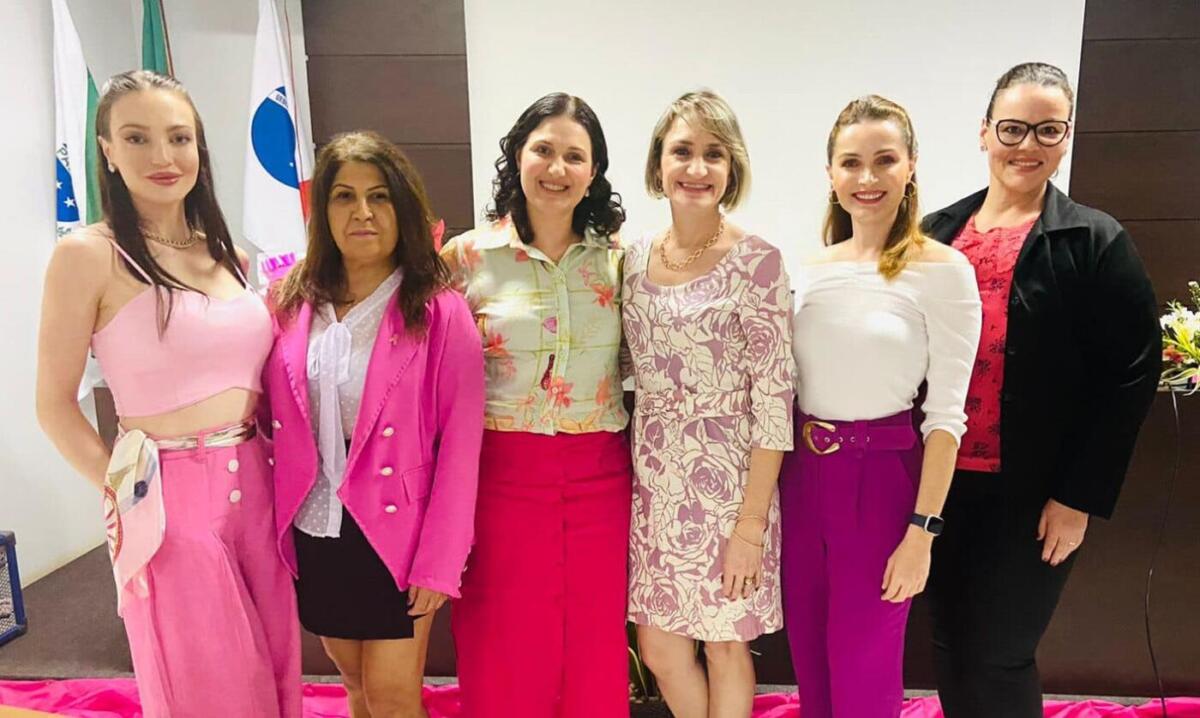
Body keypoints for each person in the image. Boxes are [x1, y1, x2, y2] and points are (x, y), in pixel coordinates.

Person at [35, 70, 300, 718]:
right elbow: (54, 404)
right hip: (164, 493)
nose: (163, 156)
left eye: (179, 137)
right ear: (107, 150)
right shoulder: (87, 256)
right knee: (209, 687)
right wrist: (128, 495)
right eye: (137, 138)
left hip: (259, 487)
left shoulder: (231, 256)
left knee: (274, 673)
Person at [923, 62, 1160, 718]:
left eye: (1047, 130)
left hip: (1033, 491)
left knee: (999, 653)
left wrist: (1078, 497)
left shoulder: (1094, 240)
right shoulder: (936, 233)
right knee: (949, 645)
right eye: (1013, 128)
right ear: (984, 132)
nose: (1027, 145)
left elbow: (1131, 373)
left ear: (1066, 137)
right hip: (937, 480)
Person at [262, 131, 484, 718]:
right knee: (356, 684)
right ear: (323, 211)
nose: (362, 211)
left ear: (402, 207)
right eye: (344, 196)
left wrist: (441, 560)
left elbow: (461, 447)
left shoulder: (438, 309)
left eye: (379, 196)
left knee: (392, 694)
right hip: (317, 524)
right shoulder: (290, 301)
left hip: (397, 530)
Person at [781, 94, 982, 718]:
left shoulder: (943, 270)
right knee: (811, 664)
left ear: (911, 165)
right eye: (851, 163)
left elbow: (946, 417)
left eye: (884, 160)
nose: (866, 178)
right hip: (801, 477)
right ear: (830, 173)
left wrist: (922, 532)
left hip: (882, 482)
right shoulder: (809, 269)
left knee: (864, 672)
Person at [441, 93, 631, 718]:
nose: (557, 168)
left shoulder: (621, 262)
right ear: (516, 156)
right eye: (543, 150)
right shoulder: (465, 258)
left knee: (592, 643)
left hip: (600, 478)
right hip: (497, 479)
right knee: (501, 638)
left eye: (575, 156)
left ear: (594, 172)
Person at [623, 90, 795, 718]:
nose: (697, 168)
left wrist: (751, 527)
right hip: (654, 489)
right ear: (658, 163)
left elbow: (775, 403)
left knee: (725, 646)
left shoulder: (758, 261)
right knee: (660, 647)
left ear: (732, 167)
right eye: (682, 152)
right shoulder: (633, 258)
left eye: (713, 154)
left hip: (730, 490)